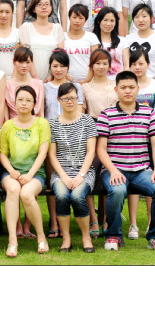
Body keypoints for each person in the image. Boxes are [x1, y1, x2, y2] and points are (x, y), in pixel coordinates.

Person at [96, 71, 155, 252]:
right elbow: (101, 149)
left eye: (131, 87)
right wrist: (113, 170)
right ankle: (114, 235)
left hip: (141, 170)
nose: (127, 91)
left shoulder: (149, 113)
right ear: (116, 90)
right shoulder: (106, 114)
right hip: (114, 170)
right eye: (123, 87)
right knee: (117, 190)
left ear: (138, 89)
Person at [0, 85, 51, 257]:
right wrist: (11, 171)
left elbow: (43, 153)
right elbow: (3, 155)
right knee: (13, 189)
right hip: (11, 173)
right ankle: (12, 240)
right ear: (14, 102)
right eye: (20, 99)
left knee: (27, 194)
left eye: (28, 100)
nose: (24, 103)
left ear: (34, 103)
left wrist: (29, 175)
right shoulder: (7, 125)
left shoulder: (42, 124)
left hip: (35, 173)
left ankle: (41, 237)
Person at [48, 82, 98, 253]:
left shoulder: (87, 121)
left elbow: (91, 151)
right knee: (62, 196)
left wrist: (80, 176)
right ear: (58, 100)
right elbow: (52, 155)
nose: (70, 101)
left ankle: (86, 237)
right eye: (65, 98)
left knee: (77, 196)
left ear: (78, 99)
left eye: (73, 98)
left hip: (84, 172)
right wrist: (64, 176)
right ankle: (66, 238)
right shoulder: (53, 124)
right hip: (61, 173)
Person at [127, 47, 155, 240]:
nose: (137, 67)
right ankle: (133, 223)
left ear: (148, 65)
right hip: (131, 140)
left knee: (152, 178)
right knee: (133, 178)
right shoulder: (127, 84)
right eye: (134, 64)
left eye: (141, 63)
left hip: (152, 140)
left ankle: (152, 222)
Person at [81, 48, 118, 237]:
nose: (101, 66)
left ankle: (106, 217)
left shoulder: (116, 86)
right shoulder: (85, 87)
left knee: (109, 173)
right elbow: (82, 113)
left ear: (110, 66)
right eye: (97, 63)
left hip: (114, 133)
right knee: (90, 172)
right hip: (92, 131)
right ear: (92, 65)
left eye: (105, 63)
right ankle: (93, 218)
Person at [18, 0, 65, 80]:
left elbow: (60, 56)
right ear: (34, 9)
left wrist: (52, 76)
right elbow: (26, 55)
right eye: (39, 4)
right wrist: (35, 77)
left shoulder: (57, 28)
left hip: (51, 78)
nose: (44, 7)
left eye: (47, 4)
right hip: (30, 78)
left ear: (51, 8)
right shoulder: (26, 27)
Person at [120, 3, 155, 79]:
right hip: (132, 82)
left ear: (152, 18)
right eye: (137, 17)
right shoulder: (127, 39)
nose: (140, 20)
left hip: (152, 81)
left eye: (144, 16)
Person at [62, 3, 100, 82]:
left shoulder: (91, 37)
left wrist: (88, 79)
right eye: (74, 17)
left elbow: (95, 60)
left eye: (81, 18)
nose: (77, 21)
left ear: (85, 20)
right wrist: (67, 77)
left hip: (88, 81)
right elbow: (59, 59)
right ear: (69, 18)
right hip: (66, 80)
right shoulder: (62, 37)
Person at [5, 46, 45, 120]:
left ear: (32, 63)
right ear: (14, 61)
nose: (24, 66)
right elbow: (5, 114)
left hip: (35, 124)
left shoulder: (38, 84)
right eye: (21, 62)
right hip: (13, 124)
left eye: (28, 62)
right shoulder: (6, 85)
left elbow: (41, 113)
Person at [44, 49, 85, 120]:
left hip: (71, 125)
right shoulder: (44, 87)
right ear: (50, 66)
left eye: (62, 66)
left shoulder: (76, 87)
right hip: (49, 125)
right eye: (55, 66)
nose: (58, 70)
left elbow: (79, 112)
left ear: (68, 66)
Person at [92, 6, 124, 79]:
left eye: (112, 21)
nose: (108, 24)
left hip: (118, 80)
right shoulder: (92, 40)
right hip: (98, 80)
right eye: (105, 20)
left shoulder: (122, 41)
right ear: (98, 21)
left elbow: (126, 66)